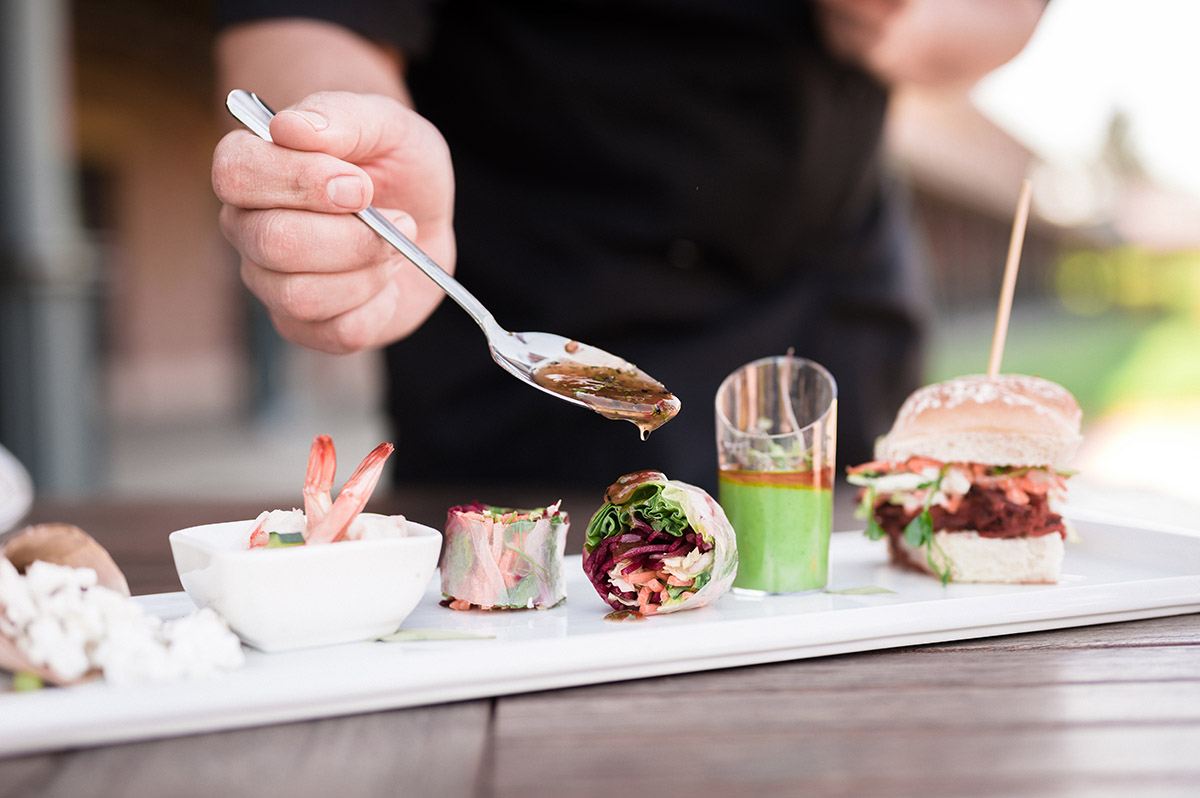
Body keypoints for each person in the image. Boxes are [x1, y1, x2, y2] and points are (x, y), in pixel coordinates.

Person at [211, 1, 1045, 491]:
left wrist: (910, 20)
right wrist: (352, 154)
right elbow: (308, 17)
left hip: (819, 305)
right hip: (513, 310)